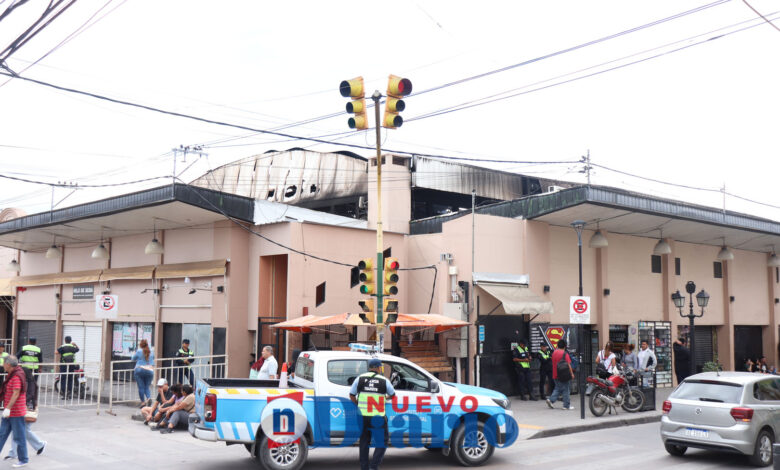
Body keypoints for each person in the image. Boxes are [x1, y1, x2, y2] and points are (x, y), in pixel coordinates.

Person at [349, 358, 396, 470]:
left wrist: (358, 403)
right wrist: (384, 398)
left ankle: (364, 467)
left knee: (364, 442)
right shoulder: (384, 380)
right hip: (378, 417)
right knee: (382, 442)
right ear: (378, 368)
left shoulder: (359, 378)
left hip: (362, 417)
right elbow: (393, 394)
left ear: (370, 368)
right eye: (381, 367)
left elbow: (351, 395)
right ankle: (374, 466)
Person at [0, 356, 28, 467]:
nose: (2, 365)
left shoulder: (16, 376)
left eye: (3, 363)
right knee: (2, 434)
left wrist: (8, 408)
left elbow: (16, 393)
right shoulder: (11, 374)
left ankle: (24, 459)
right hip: (10, 412)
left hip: (16, 412)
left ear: (8, 364)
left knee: (19, 437)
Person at [546, 339, 574, 410]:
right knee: (566, 389)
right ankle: (566, 405)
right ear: (565, 346)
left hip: (555, 374)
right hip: (563, 374)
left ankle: (551, 400)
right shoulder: (565, 354)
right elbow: (569, 365)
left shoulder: (554, 353)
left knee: (558, 388)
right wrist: (572, 374)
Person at [16, 338, 41, 411]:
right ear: (35, 342)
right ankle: (31, 401)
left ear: (29, 342)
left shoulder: (24, 348)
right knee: (33, 385)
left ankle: (25, 400)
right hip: (35, 369)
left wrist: (18, 365)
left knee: (25, 384)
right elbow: (41, 360)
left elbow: (17, 356)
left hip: (25, 369)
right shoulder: (38, 349)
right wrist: (40, 369)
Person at [132, 339, 154, 406]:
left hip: (140, 370)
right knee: (146, 387)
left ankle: (143, 402)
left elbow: (132, 358)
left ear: (141, 345)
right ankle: (148, 398)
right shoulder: (152, 351)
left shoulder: (139, 351)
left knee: (141, 387)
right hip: (150, 370)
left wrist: (133, 353)